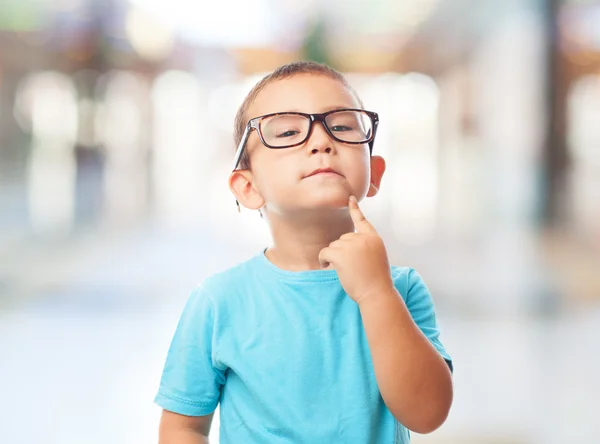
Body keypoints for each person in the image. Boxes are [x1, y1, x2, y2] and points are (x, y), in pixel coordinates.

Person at [155, 61, 454, 444]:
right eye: (288, 131)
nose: (321, 142)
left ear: (374, 173)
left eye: (342, 126)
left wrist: (376, 294)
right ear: (247, 187)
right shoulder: (219, 301)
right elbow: (183, 427)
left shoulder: (400, 289)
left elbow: (427, 413)